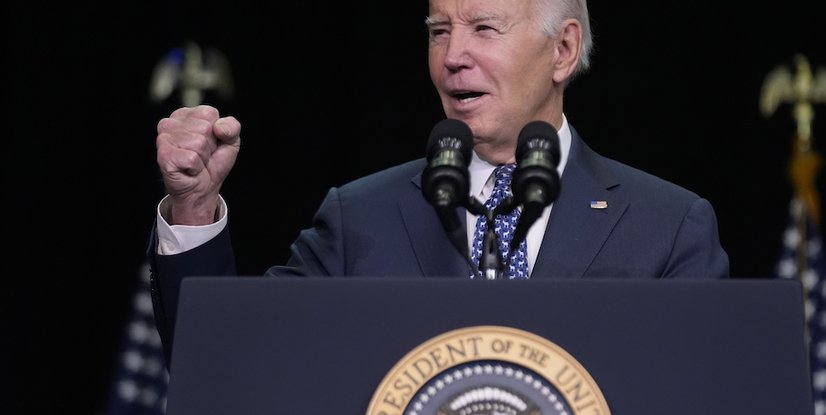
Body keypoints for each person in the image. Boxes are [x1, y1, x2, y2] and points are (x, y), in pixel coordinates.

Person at [150, 0, 730, 359]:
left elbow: (700, 412)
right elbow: (228, 357)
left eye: (483, 27)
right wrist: (196, 207)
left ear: (563, 49)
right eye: (438, 31)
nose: (453, 56)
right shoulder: (362, 219)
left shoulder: (667, 228)